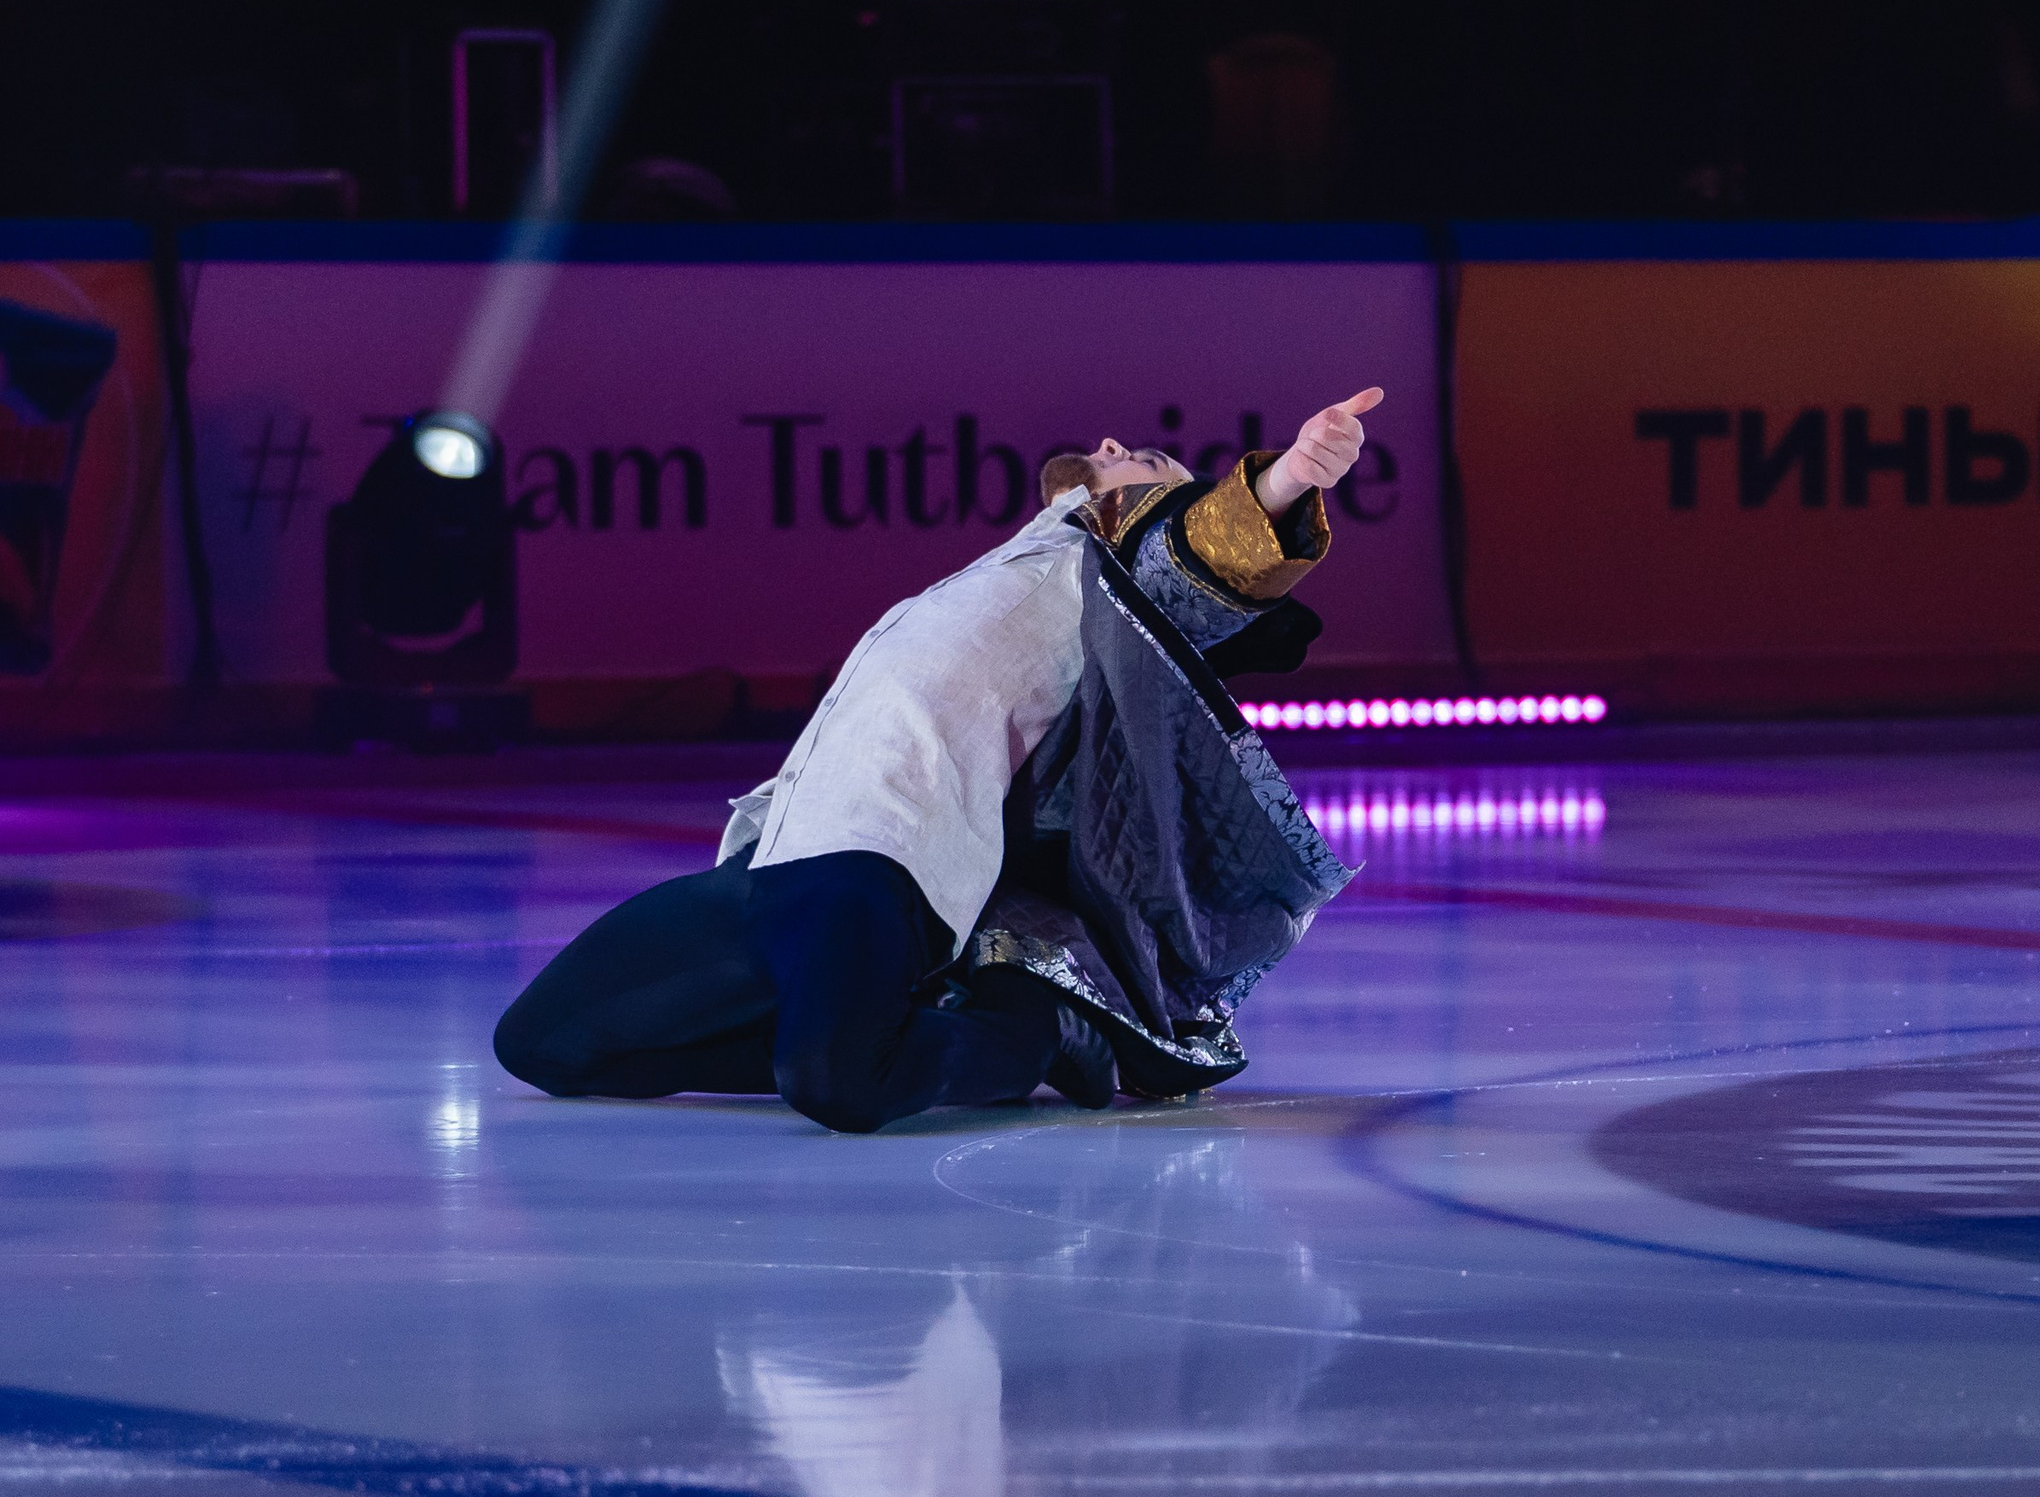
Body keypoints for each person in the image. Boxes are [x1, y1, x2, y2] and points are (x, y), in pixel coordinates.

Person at [493, 389, 1381, 1133]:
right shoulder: (1011, 561)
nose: (1114, 444)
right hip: (767, 868)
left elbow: (1201, 551)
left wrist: (1286, 480)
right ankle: (873, 1024)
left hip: (879, 865)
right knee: (543, 1042)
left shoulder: (1113, 575)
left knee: (838, 1086)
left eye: (1146, 459)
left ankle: (1036, 1034)